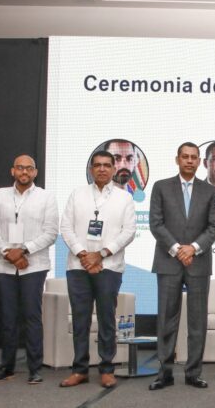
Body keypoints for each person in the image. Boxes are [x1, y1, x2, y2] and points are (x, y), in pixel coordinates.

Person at [58, 150, 136, 389]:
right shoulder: (77, 194)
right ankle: (79, 370)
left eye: (106, 165)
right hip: (78, 266)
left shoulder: (124, 198)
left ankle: (107, 369)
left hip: (109, 266)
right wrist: (84, 255)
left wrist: (100, 254)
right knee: (80, 319)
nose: (102, 169)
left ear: (113, 169)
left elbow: (128, 232)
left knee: (106, 318)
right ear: (91, 169)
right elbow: (66, 228)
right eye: (97, 165)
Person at [148, 142, 215, 390]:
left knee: (197, 322)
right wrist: (178, 249)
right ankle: (165, 373)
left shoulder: (210, 191)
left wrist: (194, 248)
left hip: (198, 262)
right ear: (177, 159)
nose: (189, 161)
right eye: (185, 157)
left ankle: (193, 373)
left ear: (199, 161)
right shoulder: (161, 187)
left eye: (193, 157)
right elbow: (156, 223)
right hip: (168, 261)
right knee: (166, 320)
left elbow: (214, 226)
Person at [0, 154, 59, 385]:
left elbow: (50, 233)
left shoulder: (46, 197)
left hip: (34, 266)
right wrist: (8, 252)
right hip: (4, 265)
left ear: (35, 172)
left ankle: (35, 368)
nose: (24, 172)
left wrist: (23, 250)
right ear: (12, 171)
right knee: (8, 318)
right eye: (20, 168)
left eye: (29, 168)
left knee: (32, 317)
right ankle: (6, 367)